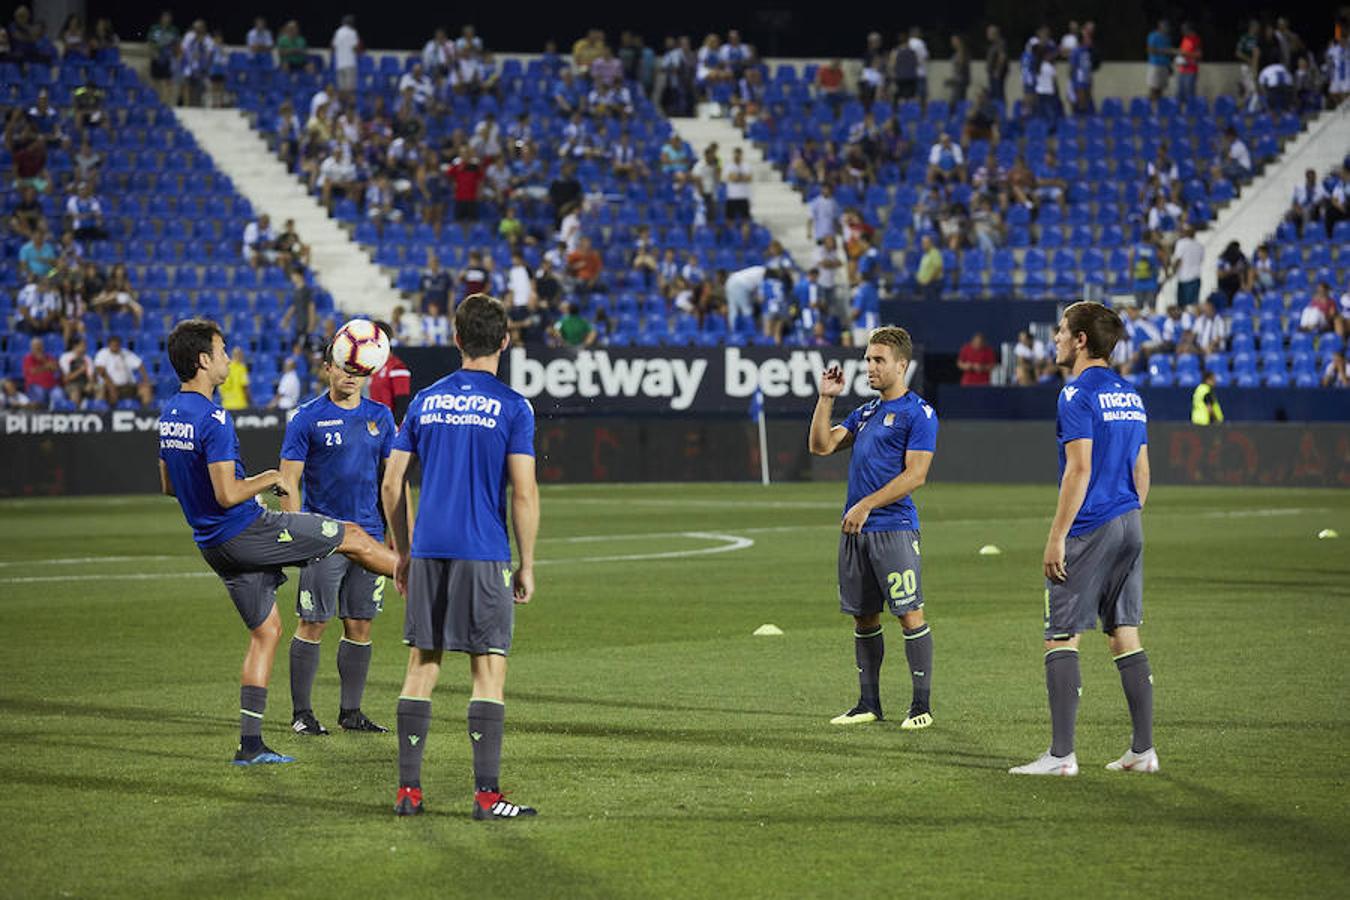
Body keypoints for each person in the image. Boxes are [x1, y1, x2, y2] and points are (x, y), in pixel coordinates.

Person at [157, 318, 397, 765]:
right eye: (223, 350)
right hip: (246, 530)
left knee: (267, 632)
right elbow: (229, 493)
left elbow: (170, 485)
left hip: (212, 544)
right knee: (351, 536)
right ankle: (425, 575)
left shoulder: (171, 413)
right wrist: (268, 478)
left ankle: (251, 746)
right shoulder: (213, 416)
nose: (229, 357)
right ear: (204, 360)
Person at [380, 293, 540, 819]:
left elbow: (392, 483)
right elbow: (523, 492)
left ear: (455, 339)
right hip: (481, 549)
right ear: (504, 341)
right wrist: (527, 563)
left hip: (428, 549)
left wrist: (402, 551)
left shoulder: (425, 400)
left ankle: (408, 792)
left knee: (421, 666)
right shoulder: (513, 406)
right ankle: (487, 796)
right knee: (488, 670)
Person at [1010, 301, 1154, 777]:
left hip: (1089, 524)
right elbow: (1141, 470)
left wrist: (1057, 537)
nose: (1054, 339)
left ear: (1081, 341)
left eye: (1060, 331)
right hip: (1129, 521)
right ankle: (1142, 750)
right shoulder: (1131, 394)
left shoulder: (1075, 395)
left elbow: (1079, 467)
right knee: (1123, 633)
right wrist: (1127, 515)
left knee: (1060, 636)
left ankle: (1060, 756)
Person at [808, 326, 936, 731]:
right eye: (867, 359)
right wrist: (826, 399)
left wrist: (866, 504)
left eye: (878, 360)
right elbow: (821, 446)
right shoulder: (864, 413)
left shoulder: (920, 413)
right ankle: (868, 703)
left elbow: (916, 475)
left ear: (902, 364)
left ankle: (920, 706)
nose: (870, 367)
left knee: (909, 614)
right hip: (856, 532)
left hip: (893, 528)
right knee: (864, 618)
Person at [279, 343, 398, 737]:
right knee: (313, 622)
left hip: (370, 536)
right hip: (324, 537)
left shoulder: (381, 417)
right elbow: (287, 481)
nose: (351, 375)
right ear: (327, 368)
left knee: (360, 624)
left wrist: (397, 540)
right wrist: (298, 532)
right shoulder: (307, 418)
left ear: (369, 373)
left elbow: (391, 483)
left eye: (358, 369)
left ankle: (351, 712)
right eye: (344, 367)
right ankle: (302, 713)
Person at [369, 321, 412, 424]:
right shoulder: (374, 367)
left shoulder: (397, 367)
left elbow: (402, 404)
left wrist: (393, 430)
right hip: (375, 428)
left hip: (389, 430)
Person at [1171, 226, 1204, 307]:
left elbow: (1178, 260)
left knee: (1182, 306)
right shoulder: (1200, 246)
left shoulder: (1181, 243)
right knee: (1193, 305)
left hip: (1184, 278)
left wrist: (1173, 270)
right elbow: (1201, 260)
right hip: (1195, 278)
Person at [1145, 20, 1174, 102]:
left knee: (1161, 89)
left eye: (1168, 27)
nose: (1167, 29)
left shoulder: (1167, 38)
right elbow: (1150, 50)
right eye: (1165, 27)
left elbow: (1169, 53)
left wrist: (1169, 67)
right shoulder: (1153, 35)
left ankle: (1159, 109)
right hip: (1155, 65)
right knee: (1154, 88)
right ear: (1160, 27)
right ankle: (1149, 107)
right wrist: (1163, 51)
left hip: (1164, 66)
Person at [219, 346, 250, 411]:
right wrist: (250, 402)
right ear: (240, 355)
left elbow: (220, 388)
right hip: (239, 405)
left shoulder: (224, 368)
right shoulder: (241, 368)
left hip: (226, 405)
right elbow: (244, 386)